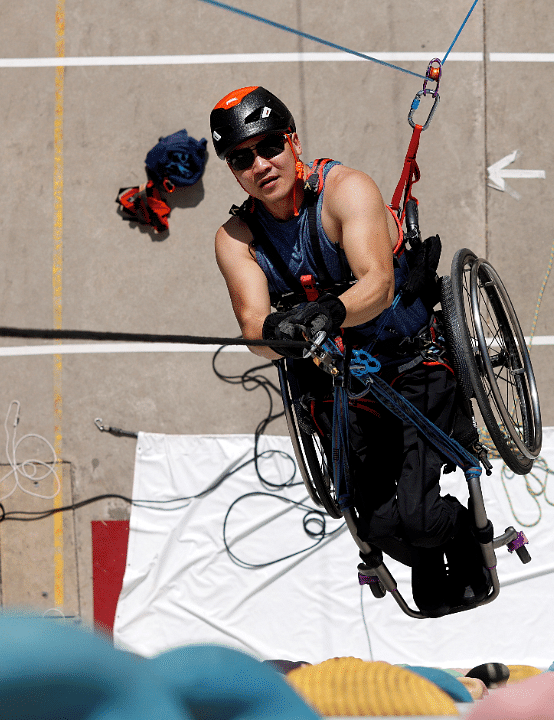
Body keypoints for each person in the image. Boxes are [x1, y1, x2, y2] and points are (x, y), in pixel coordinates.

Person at [209, 86, 490, 614]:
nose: (260, 165)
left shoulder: (347, 191)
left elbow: (377, 284)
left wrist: (330, 312)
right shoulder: (235, 238)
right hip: (340, 386)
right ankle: (427, 558)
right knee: (379, 522)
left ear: (293, 142)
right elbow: (254, 330)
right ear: (233, 170)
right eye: (241, 158)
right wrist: (282, 333)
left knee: (420, 516)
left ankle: (457, 544)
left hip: (413, 364)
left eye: (268, 147)